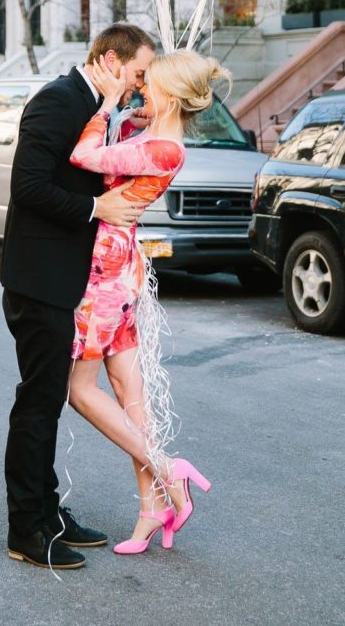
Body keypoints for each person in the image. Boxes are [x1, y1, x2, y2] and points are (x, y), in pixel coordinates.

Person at [0, 23, 157, 570]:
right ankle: (27, 530)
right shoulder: (56, 101)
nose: (140, 86)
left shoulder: (100, 108)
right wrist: (97, 211)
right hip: (38, 278)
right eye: (138, 73)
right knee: (38, 405)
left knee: (47, 403)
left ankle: (48, 512)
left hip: (68, 281)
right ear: (111, 60)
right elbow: (29, 188)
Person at [68, 49, 230, 555]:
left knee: (78, 389)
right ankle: (151, 508)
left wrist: (105, 105)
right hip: (120, 268)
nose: (142, 91)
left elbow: (85, 157)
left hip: (106, 272)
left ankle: (167, 470)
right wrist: (126, 115)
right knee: (129, 395)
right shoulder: (156, 138)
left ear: (170, 94)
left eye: (150, 86)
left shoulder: (163, 149)